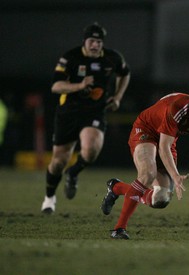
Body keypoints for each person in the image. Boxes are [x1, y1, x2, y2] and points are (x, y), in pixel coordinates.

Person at [101, 80, 189, 239]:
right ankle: (119, 228)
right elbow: (163, 147)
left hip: (167, 140)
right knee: (147, 174)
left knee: (160, 199)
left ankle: (117, 187)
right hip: (146, 130)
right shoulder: (177, 108)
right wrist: (175, 176)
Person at [41, 23, 131, 214]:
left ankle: (73, 173)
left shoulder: (112, 58)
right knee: (58, 162)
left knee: (90, 150)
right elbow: (56, 86)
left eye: (98, 42)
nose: (95, 45)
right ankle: (49, 197)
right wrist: (79, 85)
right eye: (91, 41)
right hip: (69, 113)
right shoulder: (70, 57)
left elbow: (125, 73)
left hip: (94, 112)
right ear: (84, 41)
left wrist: (118, 97)